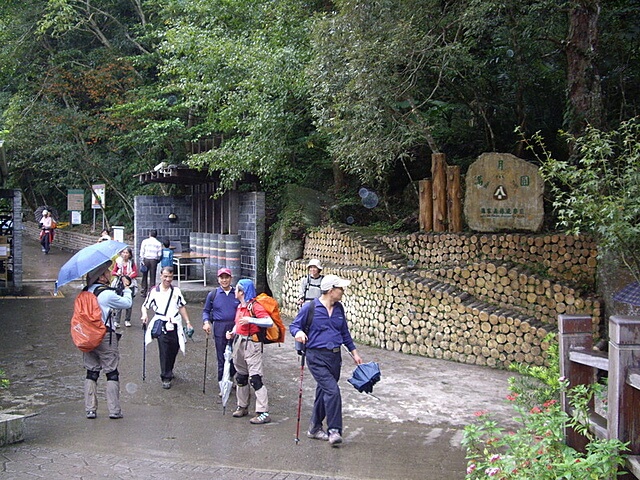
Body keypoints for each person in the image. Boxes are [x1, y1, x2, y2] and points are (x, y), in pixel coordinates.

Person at [290, 274, 363, 446]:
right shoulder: (310, 308)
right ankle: (334, 430)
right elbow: (294, 326)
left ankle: (314, 428)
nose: (343, 291)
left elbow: (344, 332)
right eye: (340, 289)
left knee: (323, 392)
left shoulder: (339, 309)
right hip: (316, 357)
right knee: (332, 391)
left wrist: (355, 353)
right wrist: (299, 333)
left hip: (335, 357)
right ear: (331, 291)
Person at [83, 260, 133, 419]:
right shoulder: (106, 294)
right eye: (107, 272)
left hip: (87, 337)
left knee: (91, 372)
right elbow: (127, 303)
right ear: (101, 277)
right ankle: (114, 410)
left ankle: (90, 409)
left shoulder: (85, 292)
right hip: (104, 336)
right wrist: (127, 289)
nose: (110, 274)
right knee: (111, 372)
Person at [225, 278, 273, 424]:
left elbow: (268, 321)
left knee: (255, 378)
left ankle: (263, 412)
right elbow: (238, 323)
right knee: (241, 376)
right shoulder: (240, 306)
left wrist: (251, 320)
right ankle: (242, 406)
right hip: (239, 342)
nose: (234, 291)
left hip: (252, 344)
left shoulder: (255, 306)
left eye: (237, 289)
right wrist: (232, 332)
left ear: (242, 292)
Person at [141, 266, 193, 389]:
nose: (167, 279)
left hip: (175, 323)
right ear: (161, 276)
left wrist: (188, 321)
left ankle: (169, 368)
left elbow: (181, 306)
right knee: (164, 350)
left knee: (174, 348)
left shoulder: (176, 291)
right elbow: (145, 306)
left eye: (170, 277)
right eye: (165, 276)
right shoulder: (154, 291)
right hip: (161, 323)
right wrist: (144, 315)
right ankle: (165, 376)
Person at [202, 268, 240, 393]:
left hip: (235, 327)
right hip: (219, 328)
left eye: (227, 277)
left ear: (231, 278)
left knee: (236, 357)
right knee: (221, 357)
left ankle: (230, 377)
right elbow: (206, 311)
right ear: (218, 279)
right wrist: (206, 322)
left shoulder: (237, 293)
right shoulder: (213, 294)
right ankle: (222, 384)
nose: (224, 280)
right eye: (222, 277)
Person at [111, 247, 138, 327]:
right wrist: (118, 274)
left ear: (130, 255)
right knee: (119, 302)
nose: (125, 254)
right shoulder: (118, 262)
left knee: (129, 303)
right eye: (123, 252)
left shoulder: (131, 262)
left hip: (130, 284)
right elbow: (113, 271)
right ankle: (117, 321)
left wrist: (128, 277)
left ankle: (127, 320)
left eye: (127, 253)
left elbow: (135, 272)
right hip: (120, 284)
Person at [139, 229, 162, 296]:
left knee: (144, 275)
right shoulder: (158, 243)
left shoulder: (145, 241)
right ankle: (151, 291)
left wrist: (141, 260)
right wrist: (157, 260)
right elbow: (159, 254)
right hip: (154, 260)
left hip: (146, 259)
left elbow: (142, 251)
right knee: (153, 276)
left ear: (149, 234)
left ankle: (143, 291)